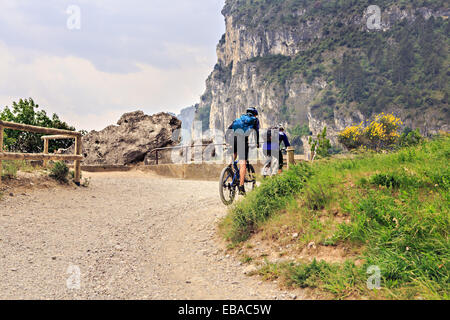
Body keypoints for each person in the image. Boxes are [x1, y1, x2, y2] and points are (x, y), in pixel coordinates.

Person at [226, 107, 260, 195]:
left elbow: (229, 129)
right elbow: (256, 132)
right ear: (255, 114)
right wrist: (257, 143)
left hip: (233, 138)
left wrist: (227, 141)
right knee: (243, 163)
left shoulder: (239, 118)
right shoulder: (255, 120)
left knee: (235, 152)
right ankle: (241, 187)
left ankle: (230, 165)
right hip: (242, 140)